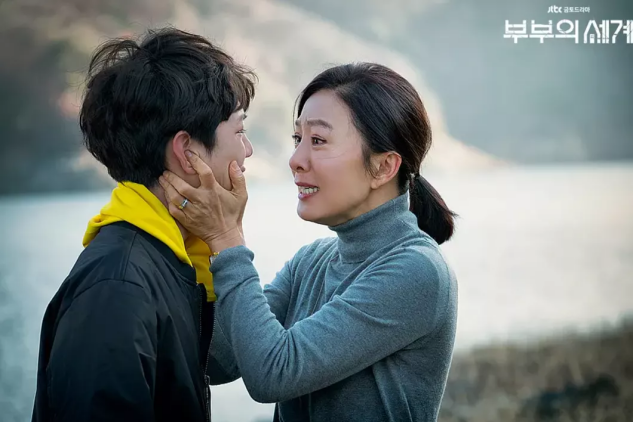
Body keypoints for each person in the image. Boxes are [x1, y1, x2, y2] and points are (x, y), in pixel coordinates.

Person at [159, 62, 459, 422]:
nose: (295, 160)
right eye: (297, 139)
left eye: (317, 141)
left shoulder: (417, 270)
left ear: (383, 167)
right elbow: (219, 361)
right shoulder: (311, 261)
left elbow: (273, 374)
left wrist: (225, 239)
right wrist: (198, 236)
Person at [31, 27, 256, 422]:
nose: (248, 151)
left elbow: (225, 360)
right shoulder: (118, 285)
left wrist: (225, 240)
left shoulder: (172, 258)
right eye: (239, 130)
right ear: (186, 152)